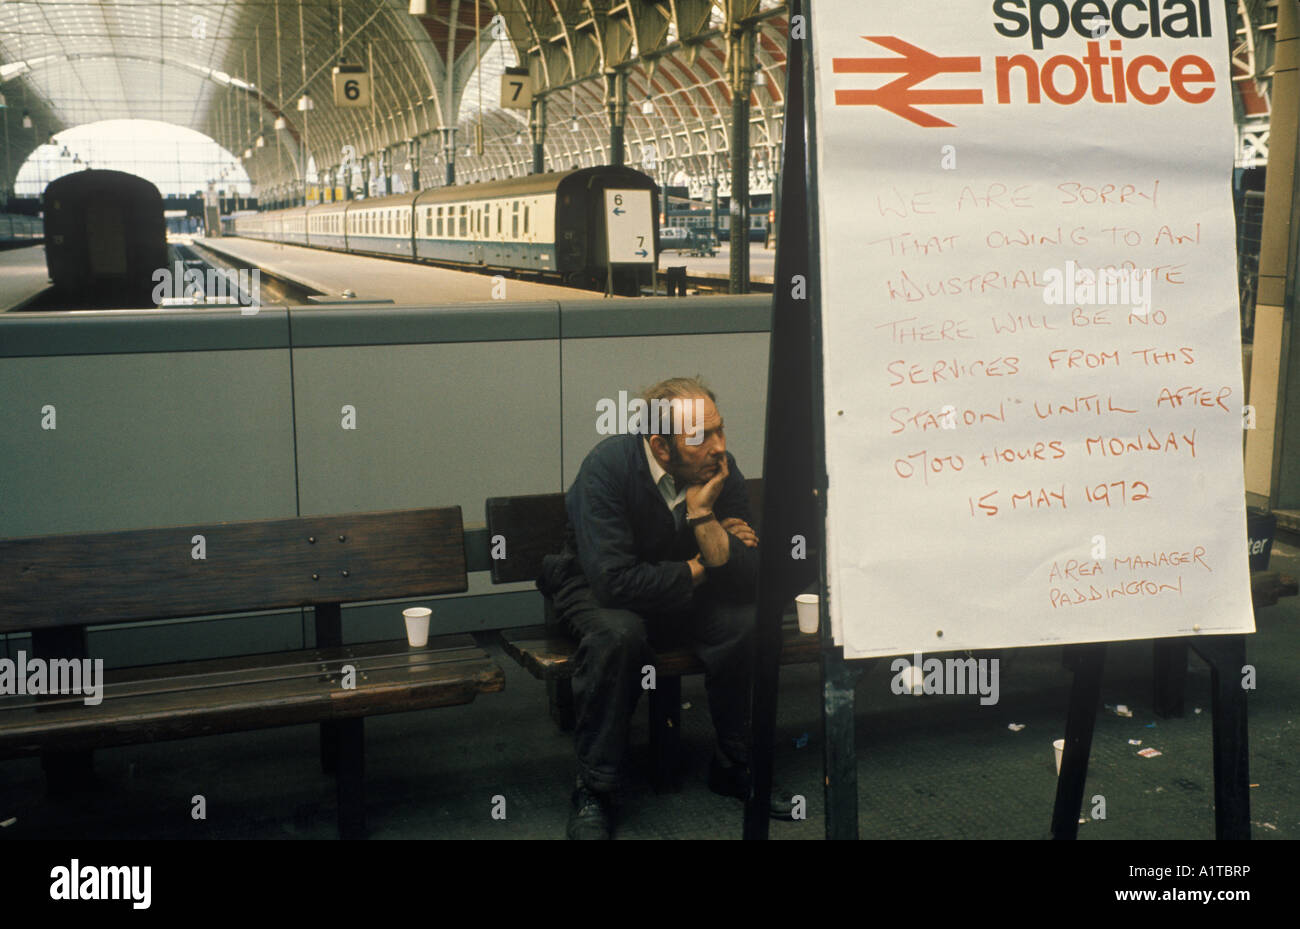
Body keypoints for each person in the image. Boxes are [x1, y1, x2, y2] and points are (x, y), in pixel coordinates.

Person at [538, 376, 790, 839]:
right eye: (701, 437)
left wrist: (702, 516)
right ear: (660, 445)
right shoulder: (607, 468)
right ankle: (596, 788)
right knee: (618, 635)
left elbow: (748, 575)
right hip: (593, 587)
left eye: (720, 430)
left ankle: (734, 764)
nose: (719, 447)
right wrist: (701, 565)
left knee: (746, 621)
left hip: (673, 588)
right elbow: (613, 582)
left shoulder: (720, 471)